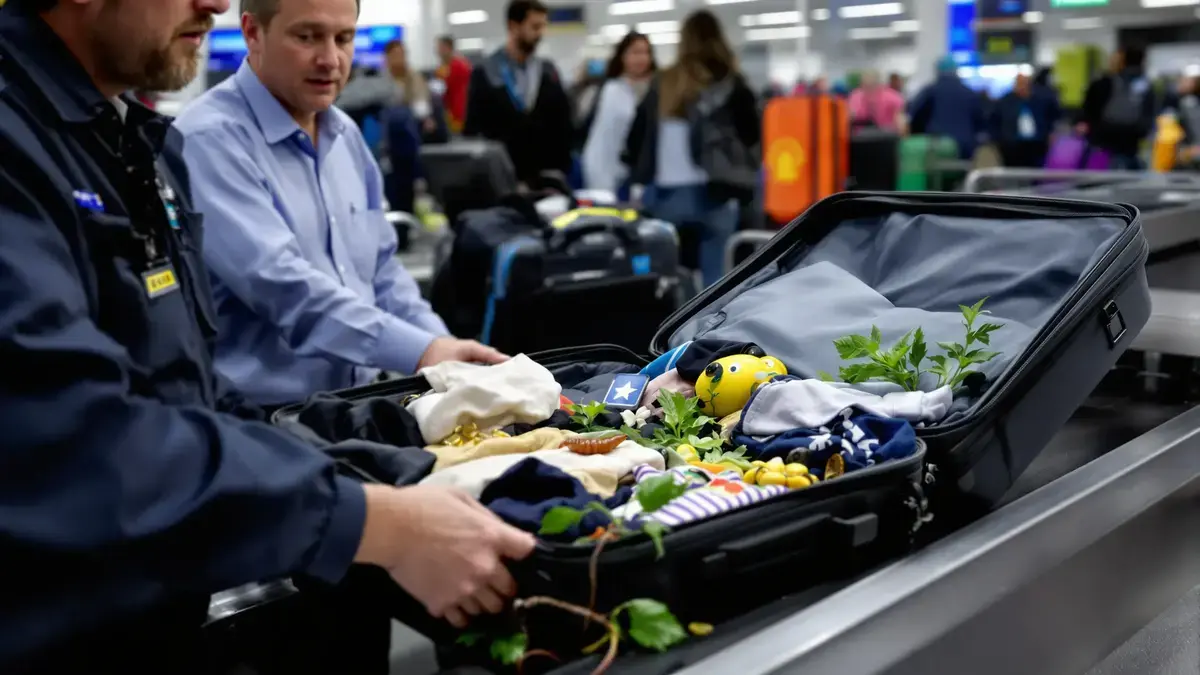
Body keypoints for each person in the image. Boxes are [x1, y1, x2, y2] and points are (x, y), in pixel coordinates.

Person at [0, 0, 535, 673]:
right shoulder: (36, 142)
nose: (216, 4)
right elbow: (76, 435)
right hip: (73, 614)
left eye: (342, 38)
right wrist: (371, 518)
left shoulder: (120, 138)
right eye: (310, 35)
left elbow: (187, 385)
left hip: (208, 539)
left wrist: (389, 461)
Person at [175, 0, 506, 407]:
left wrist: (442, 347)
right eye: (307, 36)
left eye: (343, 38)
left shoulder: (344, 135)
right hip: (265, 423)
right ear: (252, 32)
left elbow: (381, 271)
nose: (330, 59)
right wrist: (419, 351)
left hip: (362, 404)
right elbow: (284, 289)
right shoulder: (208, 140)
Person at [624, 10, 760, 289]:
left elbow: (636, 138)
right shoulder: (734, 84)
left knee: (669, 279)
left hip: (668, 198)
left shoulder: (665, 81)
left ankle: (672, 326)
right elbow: (753, 136)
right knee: (715, 284)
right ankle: (707, 329)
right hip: (719, 195)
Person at [462, 0, 573, 186]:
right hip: (501, 179)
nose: (540, 34)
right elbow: (473, 130)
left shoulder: (547, 73)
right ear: (514, 26)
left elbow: (562, 125)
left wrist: (561, 171)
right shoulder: (487, 73)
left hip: (544, 178)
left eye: (543, 26)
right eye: (535, 27)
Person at [581, 31, 656, 194]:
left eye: (646, 52)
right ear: (622, 56)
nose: (641, 58)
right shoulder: (613, 90)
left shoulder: (655, 91)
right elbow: (603, 139)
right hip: (607, 175)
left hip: (641, 175)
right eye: (635, 52)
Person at [1079, 45, 1157, 170]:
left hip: (1103, 143)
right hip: (1131, 143)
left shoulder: (1103, 83)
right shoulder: (1145, 85)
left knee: (1099, 180)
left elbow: (1088, 110)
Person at [908, 56, 986, 160]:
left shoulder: (930, 92)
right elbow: (980, 123)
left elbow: (915, 115)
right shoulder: (970, 93)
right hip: (965, 148)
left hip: (937, 147)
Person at [990, 66, 1061, 168]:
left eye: (1024, 83)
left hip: (1037, 144)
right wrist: (998, 141)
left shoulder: (1041, 100)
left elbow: (1052, 117)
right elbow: (994, 121)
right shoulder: (1005, 102)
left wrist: (1050, 133)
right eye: (1018, 83)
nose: (1021, 86)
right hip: (1012, 145)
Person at [384, 38, 436, 134]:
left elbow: (421, 101)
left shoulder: (414, 76)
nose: (400, 58)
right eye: (396, 55)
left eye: (403, 54)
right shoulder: (381, 78)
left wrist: (425, 118)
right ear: (387, 57)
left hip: (411, 121)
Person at [435, 34, 471, 134]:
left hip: (460, 111)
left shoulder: (460, 66)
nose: (438, 51)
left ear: (449, 47)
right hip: (447, 112)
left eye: (441, 47)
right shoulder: (440, 68)